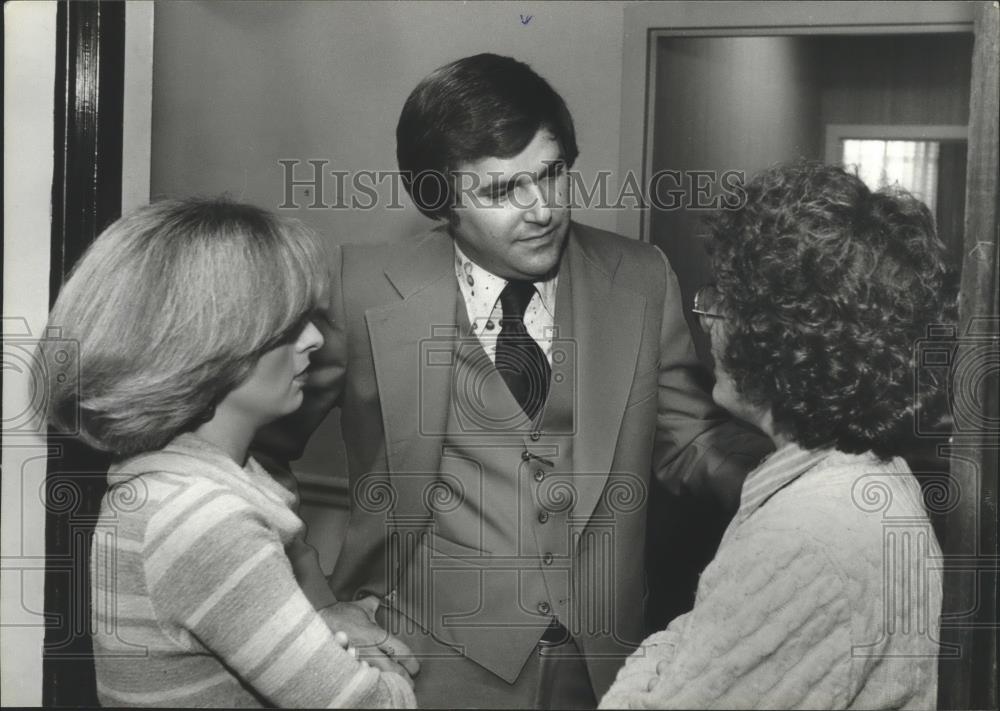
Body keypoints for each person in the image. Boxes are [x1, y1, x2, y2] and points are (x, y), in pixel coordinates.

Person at [257, 53, 772, 708]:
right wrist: (318, 601)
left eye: (552, 174)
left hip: (604, 663)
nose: (542, 209)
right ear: (440, 201)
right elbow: (255, 448)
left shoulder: (641, 276)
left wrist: (808, 474)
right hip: (422, 662)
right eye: (502, 192)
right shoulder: (360, 286)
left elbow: (692, 445)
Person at [600, 161, 953, 709]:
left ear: (776, 339)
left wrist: (650, 662)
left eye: (723, 299)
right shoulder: (863, 478)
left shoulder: (803, 540)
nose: (707, 319)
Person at [44, 199, 416, 708]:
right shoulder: (207, 520)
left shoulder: (166, 483)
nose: (312, 341)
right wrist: (377, 667)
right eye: (286, 327)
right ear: (208, 345)